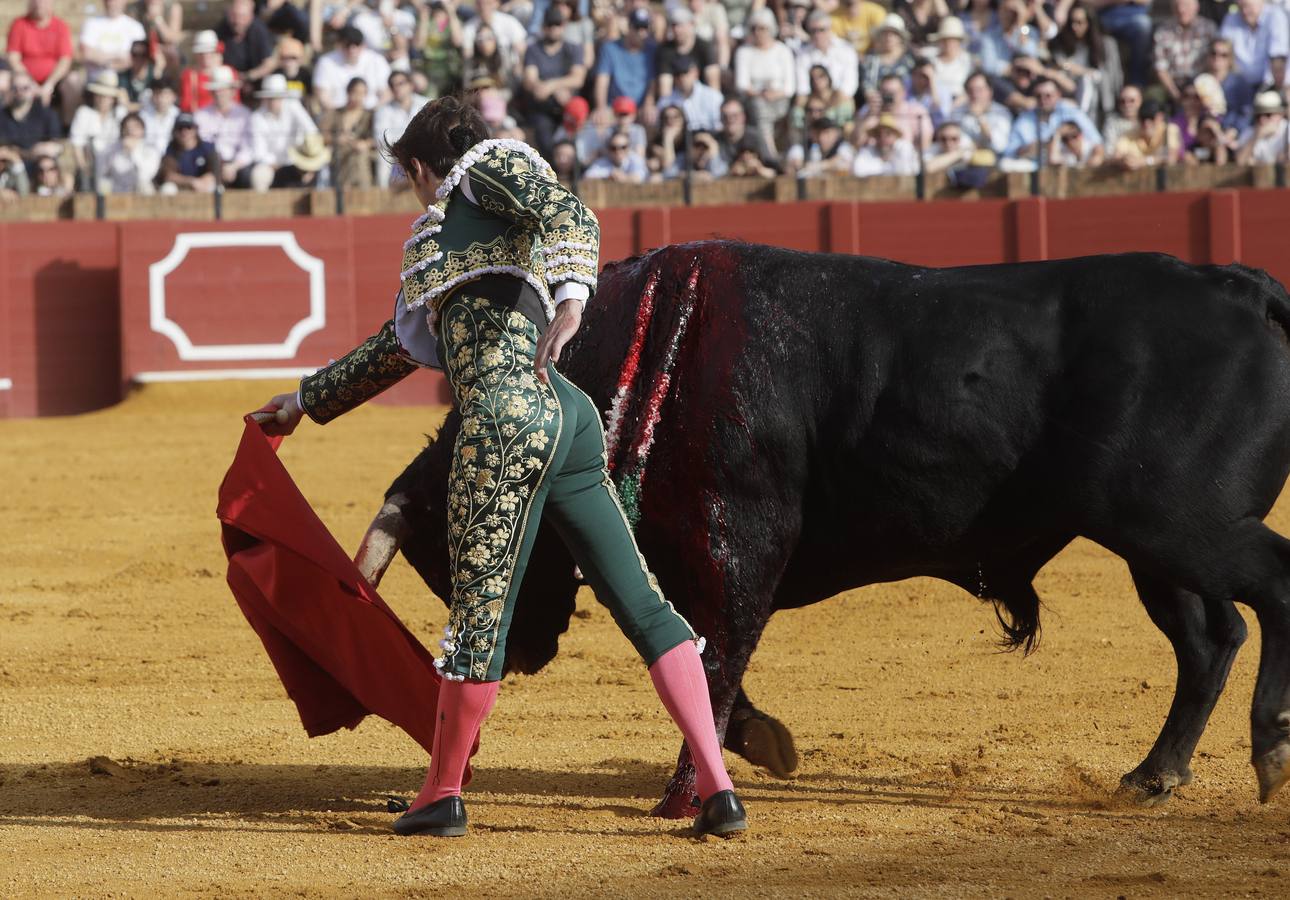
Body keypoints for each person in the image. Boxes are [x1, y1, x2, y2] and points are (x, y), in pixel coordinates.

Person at [252, 95, 747, 840]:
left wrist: (576, 298)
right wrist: (304, 400)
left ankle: (442, 794)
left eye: (408, 175)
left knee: (479, 619)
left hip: (502, 426)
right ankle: (718, 788)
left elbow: (569, 214)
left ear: (420, 166)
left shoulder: (489, 169)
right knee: (640, 601)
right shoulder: (440, 238)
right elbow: (396, 348)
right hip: (565, 417)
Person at [520, 6, 585, 158]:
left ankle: (577, 171)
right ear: (543, 27)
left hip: (568, 107)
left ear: (564, 26)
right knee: (545, 140)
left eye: (557, 24)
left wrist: (552, 85)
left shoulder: (573, 49)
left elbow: (578, 78)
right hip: (542, 108)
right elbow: (530, 80)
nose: (553, 28)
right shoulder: (533, 49)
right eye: (550, 25)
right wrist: (550, 89)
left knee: (578, 118)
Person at [736, 8, 795, 157]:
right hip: (754, 100)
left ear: (771, 28)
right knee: (760, 108)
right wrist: (760, 94)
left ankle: (787, 153)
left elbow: (790, 86)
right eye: (754, 28)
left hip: (780, 100)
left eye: (762, 28)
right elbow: (741, 84)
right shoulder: (744, 52)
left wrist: (774, 94)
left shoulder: (783, 51)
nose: (758, 32)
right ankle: (770, 155)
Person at [1050, 1, 1121, 120]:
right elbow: (1059, 71)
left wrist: (1078, 70)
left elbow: (1112, 78)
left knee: (1087, 82)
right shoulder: (1061, 46)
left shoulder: (1106, 45)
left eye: (1079, 22)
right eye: (1072, 22)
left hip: (1102, 100)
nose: (1074, 27)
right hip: (1069, 97)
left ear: (1089, 23)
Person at [1004, 76, 1102, 161]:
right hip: (1035, 170)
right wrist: (1031, 148)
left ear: (1058, 95)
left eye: (1048, 96)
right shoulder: (1024, 120)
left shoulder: (1071, 112)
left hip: (1071, 167)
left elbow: (1097, 142)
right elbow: (1010, 153)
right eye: (1038, 96)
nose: (1043, 100)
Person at [250, 72, 320, 189]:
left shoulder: (293, 106)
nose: (273, 101)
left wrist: (308, 161)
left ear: (283, 97)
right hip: (270, 165)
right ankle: (261, 206)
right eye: (270, 97)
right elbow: (259, 153)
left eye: (276, 97)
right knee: (258, 175)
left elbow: (311, 130)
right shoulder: (257, 117)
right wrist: (275, 165)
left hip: (296, 162)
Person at [6, 0, 74, 118]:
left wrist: (49, 84)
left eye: (43, 1)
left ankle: (66, 126)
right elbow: (13, 58)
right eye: (36, 1)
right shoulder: (19, 24)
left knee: (73, 82)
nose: (39, 4)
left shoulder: (61, 26)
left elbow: (65, 60)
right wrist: (30, 83)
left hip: (54, 81)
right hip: (24, 79)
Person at [593, 7, 656, 125]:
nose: (641, 32)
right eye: (637, 28)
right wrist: (600, 107)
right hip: (614, 108)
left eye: (644, 28)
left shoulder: (652, 50)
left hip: (639, 109)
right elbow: (602, 81)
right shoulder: (610, 48)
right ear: (629, 27)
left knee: (652, 118)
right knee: (598, 123)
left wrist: (648, 104)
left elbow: (652, 83)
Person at [195, 65, 254, 187]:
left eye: (222, 89)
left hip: (236, 165)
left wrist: (234, 166)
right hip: (210, 165)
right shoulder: (200, 115)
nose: (218, 93)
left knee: (246, 176)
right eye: (215, 90)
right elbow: (202, 146)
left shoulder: (244, 114)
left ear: (232, 91)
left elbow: (248, 148)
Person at [1219, 0, 1288, 106]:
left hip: (1270, 84)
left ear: (1261, 3)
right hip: (1239, 85)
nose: (1245, 11)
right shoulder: (1231, 18)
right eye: (1241, 7)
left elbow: (1278, 59)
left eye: (1248, 6)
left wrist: (1279, 94)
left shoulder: (1276, 16)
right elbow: (1222, 52)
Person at [1154, 0, 1219, 104]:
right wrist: (1176, 95)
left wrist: (1200, 90)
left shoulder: (1209, 28)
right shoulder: (1163, 31)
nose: (1181, 10)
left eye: (1186, 5)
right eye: (1177, 6)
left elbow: (1217, 62)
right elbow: (1160, 68)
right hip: (1173, 86)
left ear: (1196, 7)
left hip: (1202, 85)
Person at [69, 69, 127, 185]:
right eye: (99, 95)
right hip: (90, 165)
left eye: (107, 96)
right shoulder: (84, 113)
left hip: (116, 167)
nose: (102, 99)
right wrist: (84, 169)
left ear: (113, 99)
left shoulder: (120, 113)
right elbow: (77, 144)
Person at [314, 25, 392, 110]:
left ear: (364, 45)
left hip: (371, 113)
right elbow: (323, 96)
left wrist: (370, 114)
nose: (352, 49)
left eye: (357, 44)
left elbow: (387, 93)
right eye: (347, 45)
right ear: (338, 45)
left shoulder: (377, 60)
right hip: (338, 114)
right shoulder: (326, 62)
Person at [0, 69, 64, 172]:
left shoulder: (47, 115)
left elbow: (56, 144)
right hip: (9, 169)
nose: (20, 92)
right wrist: (29, 153)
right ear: (10, 90)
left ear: (33, 90)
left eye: (25, 88)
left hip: (40, 171)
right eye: (15, 88)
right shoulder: (2, 116)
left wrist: (46, 149)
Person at [320, 76, 375, 187]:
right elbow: (321, 136)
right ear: (348, 92)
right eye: (355, 92)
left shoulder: (370, 115)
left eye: (362, 93)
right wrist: (337, 139)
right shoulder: (336, 114)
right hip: (339, 156)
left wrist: (366, 144)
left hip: (362, 156)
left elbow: (378, 137)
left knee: (359, 157)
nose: (358, 97)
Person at [655, 7, 719, 97]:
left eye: (680, 25)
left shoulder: (705, 47)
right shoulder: (665, 50)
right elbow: (665, 86)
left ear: (691, 24)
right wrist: (668, 107)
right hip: (676, 98)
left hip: (703, 96)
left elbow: (713, 83)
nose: (677, 30)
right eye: (674, 25)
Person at [95, 111, 159, 192]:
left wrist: (133, 152)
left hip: (140, 192)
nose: (130, 131)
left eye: (135, 128)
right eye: (127, 128)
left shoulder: (151, 150)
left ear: (142, 130)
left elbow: (144, 176)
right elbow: (101, 173)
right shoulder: (111, 149)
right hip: (117, 191)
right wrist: (113, 155)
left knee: (143, 184)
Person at [215, 0, 279, 83]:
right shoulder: (220, 31)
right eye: (234, 16)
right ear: (228, 14)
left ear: (251, 16)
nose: (238, 21)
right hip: (227, 81)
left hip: (255, 81)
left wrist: (247, 77)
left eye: (242, 17)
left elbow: (269, 64)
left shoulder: (259, 31)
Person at [952, 69, 1013, 154]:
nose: (975, 95)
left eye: (979, 90)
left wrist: (980, 118)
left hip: (992, 162)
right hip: (962, 159)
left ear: (990, 91)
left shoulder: (1001, 113)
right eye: (970, 90)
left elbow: (999, 146)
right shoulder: (958, 111)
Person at [1096, 0, 1153, 87]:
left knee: (1144, 24)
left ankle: (1137, 82)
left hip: (1135, 19)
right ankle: (1107, 84)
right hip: (1106, 20)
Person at [157, 111, 217, 193]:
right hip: (182, 187)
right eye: (180, 128)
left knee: (213, 187)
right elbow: (169, 175)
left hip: (203, 185)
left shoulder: (207, 147)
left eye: (188, 127)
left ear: (195, 129)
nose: (184, 132)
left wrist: (202, 182)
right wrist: (192, 182)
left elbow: (215, 171)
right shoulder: (171, 149)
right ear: (174, 131)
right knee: (168, 189)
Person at [658, 58, 723, 133]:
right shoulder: (665, 102)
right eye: (677, 74)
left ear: (696, 72)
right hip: (678, 142)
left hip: (708, 140)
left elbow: (720, 128)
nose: (681, 78)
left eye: (685, 72)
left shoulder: (713, 97)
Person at [1112, 99, 1182, 166]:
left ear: (1160, 117)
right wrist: (1124, 161)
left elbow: (1172, 158)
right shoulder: (1130, 133)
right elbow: (1115, 158)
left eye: (1151, 117)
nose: (1146, 123)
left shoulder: (1169, 129)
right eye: (1143, 118)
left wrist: (1144, 161)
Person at [179, 30, 232, 114]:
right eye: (201, 53)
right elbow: (186, 104)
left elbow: (235, 101)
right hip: (199, 120)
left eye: (209, 52)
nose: (205, 56)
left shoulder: (229, 73)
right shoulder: (190, 75)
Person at [852, 112, 920, 175]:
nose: (882, 138)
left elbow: (908, 171)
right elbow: (858, 170)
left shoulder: (904, 148)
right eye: (878, 134)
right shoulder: (867, 152)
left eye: (888, 134)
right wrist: (882, 162)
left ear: (895, 136)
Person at [1236, 90, 1289, 163]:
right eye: (1258, 116)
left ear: (1280, 114)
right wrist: (1256, 137)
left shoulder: (1287, 130)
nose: (1262, 119)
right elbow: (1239, 162)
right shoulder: (1249, 133)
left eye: (1268, 115)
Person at [582, 130, 648, 180]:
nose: (618, 151)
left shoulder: (635, 159)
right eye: (613, 148)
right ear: (608, 149)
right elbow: (587, 177)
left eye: (623, 147)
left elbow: (640, 177)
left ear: (628, 148)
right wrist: (608, 176)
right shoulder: (603, 161)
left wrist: (624, 178)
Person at [139, 76, 177, 156]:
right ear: (152, 96)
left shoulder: (178, 117)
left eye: (165, 94)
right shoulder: (142, 116)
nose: (161, 99)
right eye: (157, 94)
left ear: (174, 96)